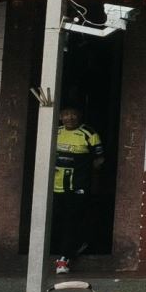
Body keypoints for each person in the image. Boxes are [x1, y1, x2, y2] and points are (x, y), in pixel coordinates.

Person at [50, 108, 104, 274]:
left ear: (79, 116)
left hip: (77, 187)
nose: (70, 117)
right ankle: (72, 247)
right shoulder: (54, 132)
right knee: (57, 220)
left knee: (72, 220)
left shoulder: (89, 133)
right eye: (66, 114)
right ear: (60, 117)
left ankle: (64, 258)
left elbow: (100, 159)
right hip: (56, 186)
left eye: (73, 114)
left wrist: (87, 175)